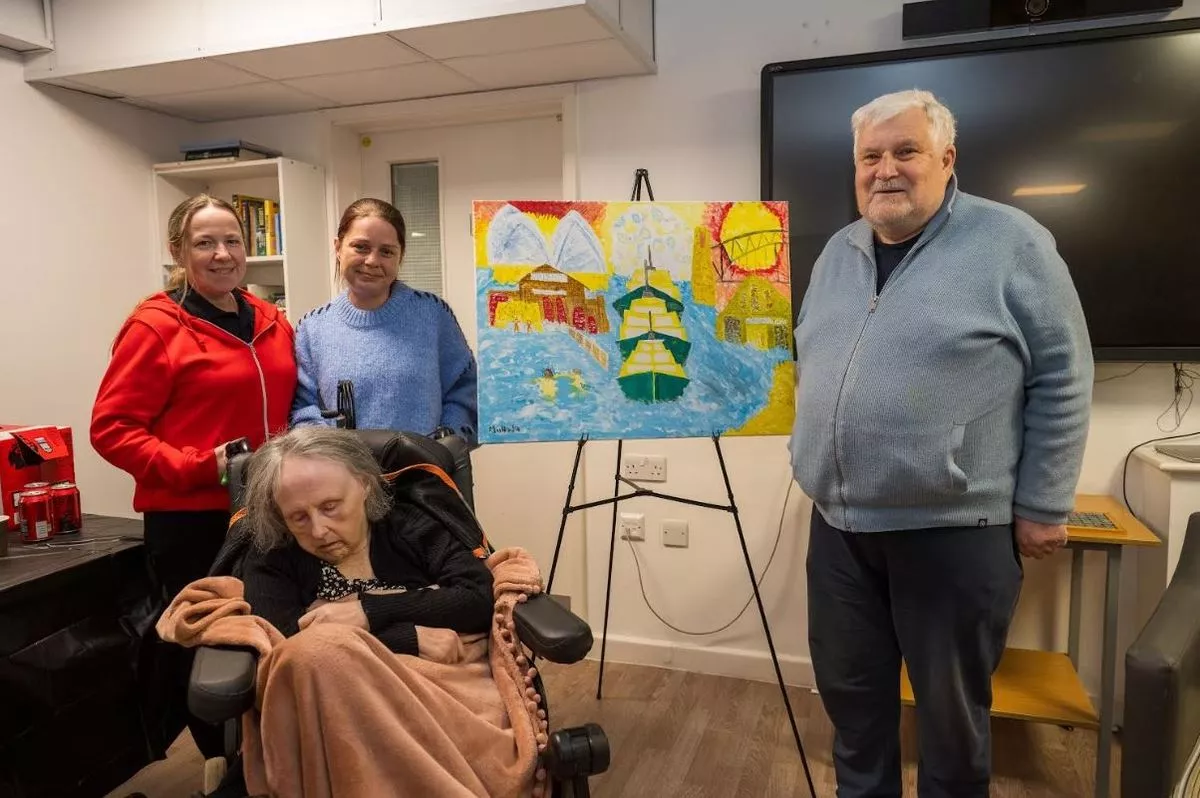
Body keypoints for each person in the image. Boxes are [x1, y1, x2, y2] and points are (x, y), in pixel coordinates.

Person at [789, 89, 1093, 797]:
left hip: (954, 531)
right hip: (838, 530)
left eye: (905, 151)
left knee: (951, 726)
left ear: (946, 159)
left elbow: (1064, 375)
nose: (884, 169)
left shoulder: (1012, 242)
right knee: (853, 710)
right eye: (870, 155)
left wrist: (1044, 501)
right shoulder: (839, 250)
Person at [90, 193, 297, 758]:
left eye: (232, 240)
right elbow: (111, 429)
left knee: (272, 634)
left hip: (267, 512)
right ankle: (223, 766)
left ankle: (271, 755)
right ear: (178, 251)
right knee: (210, 648)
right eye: (205, 243)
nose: (222, 253)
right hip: (191, 520)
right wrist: (196, 466)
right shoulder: (155, 326)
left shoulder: (271, 320)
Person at [238, 425, 493, 650]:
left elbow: (479, 598)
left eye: (330, 507)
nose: (318, 531)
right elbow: (285, 639)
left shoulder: (412, 523)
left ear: (365, 484)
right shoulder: (272, 549)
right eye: (298, 517)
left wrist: (368, 610)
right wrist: (408, 636)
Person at [290, 198, 479, 444]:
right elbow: (304, 409)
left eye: (387, 251)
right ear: (338, 248)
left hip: (426, 475)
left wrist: (445, 444)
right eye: (360, 247)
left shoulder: (432, 315)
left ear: (400, 256)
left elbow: (465, 389)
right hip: (343, 478)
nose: (372, 261)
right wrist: (331, 455)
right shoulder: (312, 329)